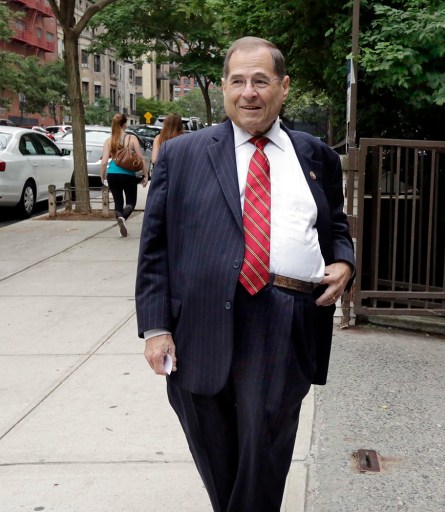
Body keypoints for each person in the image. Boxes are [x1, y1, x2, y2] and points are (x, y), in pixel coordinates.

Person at [135, 36, 354, 512]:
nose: (248, 92)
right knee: (214, 447)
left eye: (260, 80)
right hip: (199, 323)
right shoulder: (182, 154)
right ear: (224, 87)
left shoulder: (315, 155)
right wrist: (156, 329)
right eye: (238, 81)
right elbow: (155, 248)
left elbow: (335, 225)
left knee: (265, 450)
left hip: (285, 317)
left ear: (283, 86)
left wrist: (343, 261)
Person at [99, 113, 148, 237]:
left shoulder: (109, 141)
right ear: (125, 124)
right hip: (128, 175)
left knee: (118, 202)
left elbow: (104, 161)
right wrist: (146, 175)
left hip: (112, 174)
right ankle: (123, 218)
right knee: (131, 202)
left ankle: (120, 219)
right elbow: (141, 158)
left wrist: (102, 175)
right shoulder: (131, 138)